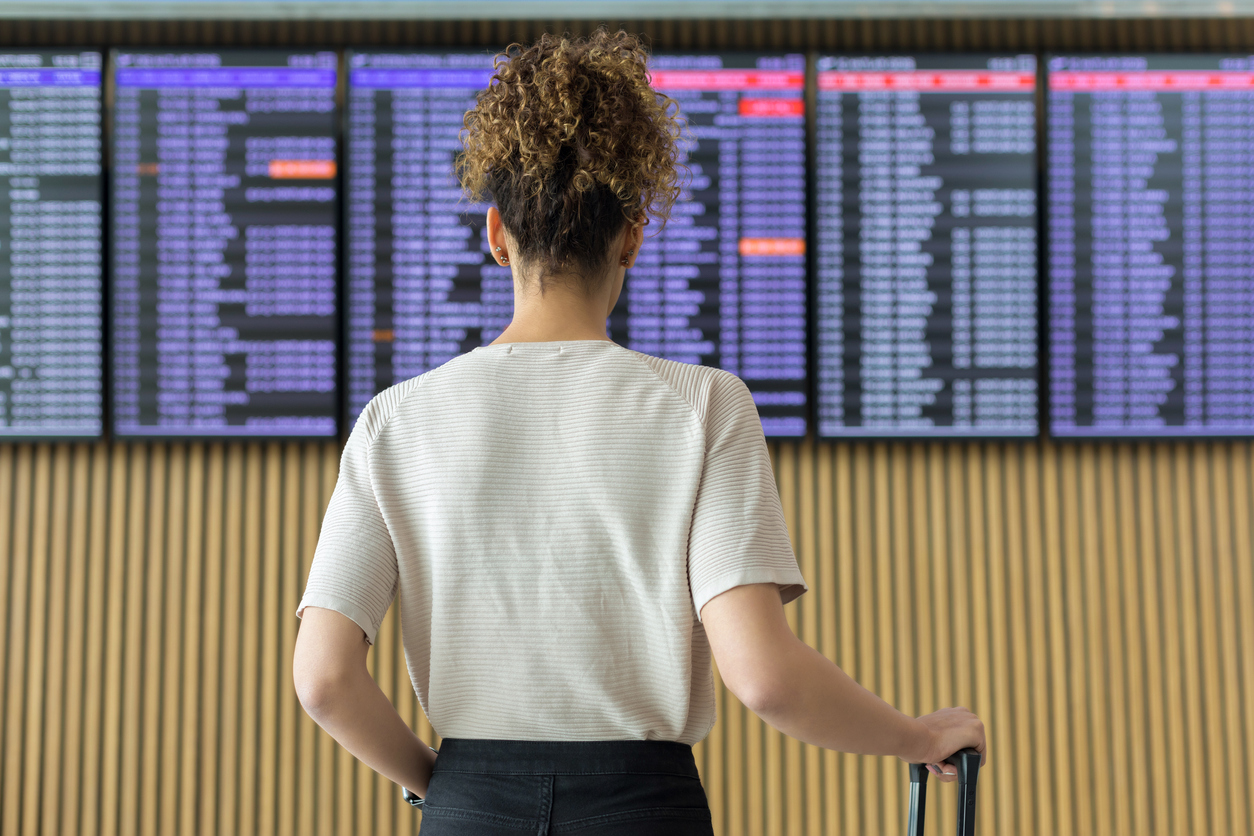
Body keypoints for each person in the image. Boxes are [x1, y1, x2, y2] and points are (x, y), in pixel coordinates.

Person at [292, 29, 986, 835]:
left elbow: (324, 680)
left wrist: (442, 788)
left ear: (495, 234)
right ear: (632, 235)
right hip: (643, 811)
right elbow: (763, 679)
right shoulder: (704, 405)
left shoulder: (395, 422)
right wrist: (918, 736)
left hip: (469, 804)